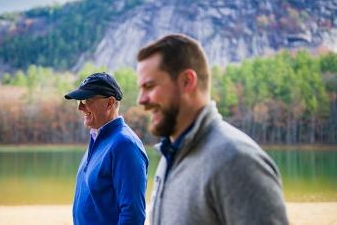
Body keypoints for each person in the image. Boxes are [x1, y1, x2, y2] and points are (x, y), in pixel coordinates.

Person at [136, 34, 289, 225]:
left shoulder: (237, 161)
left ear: (186, 82)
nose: (141, 100)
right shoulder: (170, 156)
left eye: (149, 86)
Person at [64, 72, 149, 225]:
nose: (81, 107)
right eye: (79, 101)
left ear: (110, 103)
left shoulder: (125, 145)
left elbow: (133, 215)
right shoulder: (98, 138)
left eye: (86, 99)